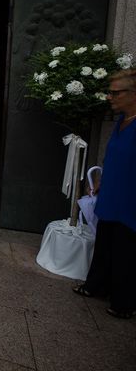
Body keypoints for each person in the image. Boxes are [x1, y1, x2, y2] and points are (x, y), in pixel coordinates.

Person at [73, 69, 136, 319]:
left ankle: (124, 302)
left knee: (126, 250)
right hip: (112, 192)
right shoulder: (122, 120)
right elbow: (115, 155)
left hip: (130, 198)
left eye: (115, 92)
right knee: (105, 242)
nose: (110, 97)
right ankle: (96, 285)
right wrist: (102, 179)